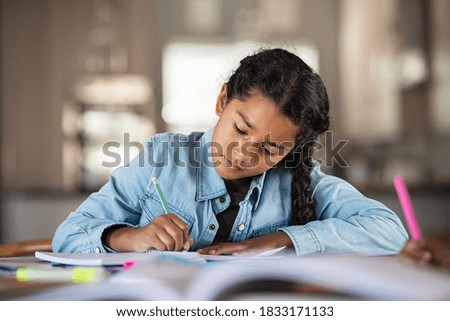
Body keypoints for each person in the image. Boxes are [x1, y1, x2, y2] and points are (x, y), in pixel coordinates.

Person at [53, 48, 408, 255]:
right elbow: (68, 235)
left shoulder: (301, 180)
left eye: (270, 149)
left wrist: (276, 240)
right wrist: (130, 236)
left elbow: (390, 231)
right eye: (240, 128)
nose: (242, 155)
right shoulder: (161, 159)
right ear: (223, 99)